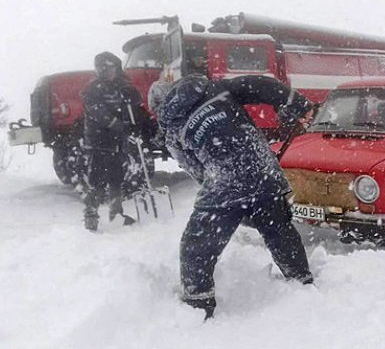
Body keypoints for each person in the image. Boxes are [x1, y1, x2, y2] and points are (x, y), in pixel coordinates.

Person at [156, 74, 314, 320]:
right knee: (278, 231)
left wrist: (227, 200)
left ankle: (198, 308)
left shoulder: (172, 130)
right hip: (263, 169)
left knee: (196, 247)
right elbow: (260, 85)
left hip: (224, 181)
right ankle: (302, 282)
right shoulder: (214, 88)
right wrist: (296, 102)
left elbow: (196, 170)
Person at [80, 52, 152, 231]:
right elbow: (98, 113)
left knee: (116, 177)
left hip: (118, 142)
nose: (108, 72)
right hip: (99, 141)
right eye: (104, 69)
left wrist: (137, 121)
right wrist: (118, 124)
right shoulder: (93, 89)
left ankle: (116, 213)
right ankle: (91, 215)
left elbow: (136, 104)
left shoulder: (123, 86)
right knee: (97, 179)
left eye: (111, 68)